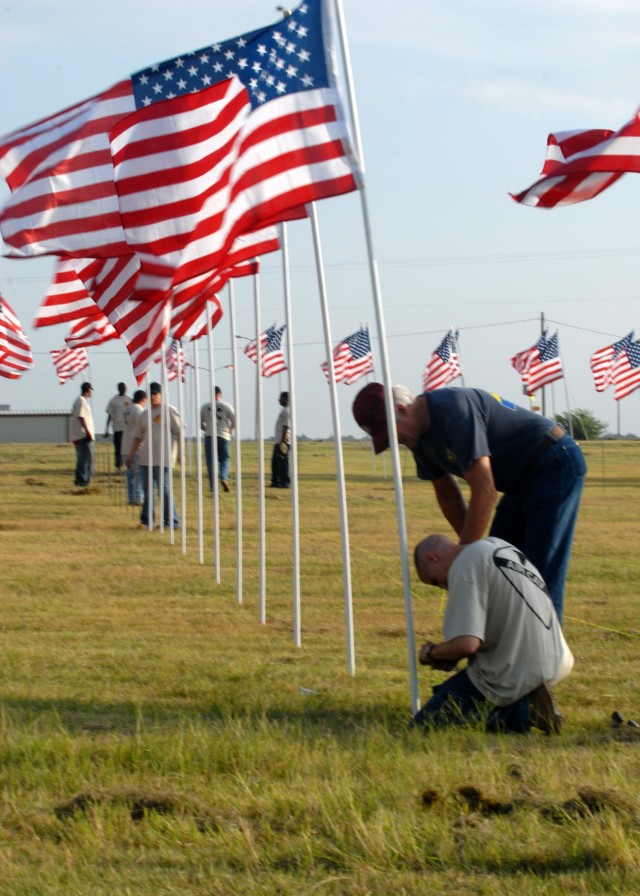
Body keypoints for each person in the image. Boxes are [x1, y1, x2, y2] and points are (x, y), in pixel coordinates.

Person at [352, 383, 586, 623]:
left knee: (538, 571)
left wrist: (464, 558)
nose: (394, 442)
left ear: (403, 409)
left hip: (553, 461)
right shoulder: (418, 439)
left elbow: (484, 489)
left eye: (390, 434)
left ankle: (548, 654)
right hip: (520, 483)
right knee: (501, 569)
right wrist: (472, 552)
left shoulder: (454, 410)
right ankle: (502, 653)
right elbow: (447, 495)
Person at [412, 534, 573, 734]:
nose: (444, 588)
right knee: (453, 691)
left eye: (436, 582)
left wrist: (431, 653)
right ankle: (527, 700)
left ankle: (523, 712)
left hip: (513, 669)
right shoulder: (498, 547)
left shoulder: (463, 567)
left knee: (424, 726)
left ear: (432, 558)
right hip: (556, 658)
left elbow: (467, 644)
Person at [126, 382, 182, 529]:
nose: (153, 396)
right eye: (150, 394)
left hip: (164, 458)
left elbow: (178, 431)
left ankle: (171, 521)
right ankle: (147, 521)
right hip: (146, 459)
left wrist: (180, 454)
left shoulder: (169, 411)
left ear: (161, 395)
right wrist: (130, 455)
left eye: (155, 394)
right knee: (148, 491)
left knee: (164, 489)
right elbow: (138, 436)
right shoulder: (144, 414)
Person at [200, 386, 236, 493]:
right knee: (224, 459)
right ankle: (224, 478)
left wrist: (208, 429)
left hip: (210, 436)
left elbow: (201, 425)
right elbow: (234, 421)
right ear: (220, 394)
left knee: (210, 462)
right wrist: (229, 430)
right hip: (223, 435)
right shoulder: (227, 406)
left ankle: (213, 486)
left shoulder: (204, 407)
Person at [121, 389, 147, 506]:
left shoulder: (127, 410)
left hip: (125, 445)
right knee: (139, 474)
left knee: (130, 474)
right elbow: (142, 429)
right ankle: (138, 497)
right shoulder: (140, 411)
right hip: (136, 447)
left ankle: (131, 497)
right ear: (143, 399)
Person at [69, 381, 95, 487]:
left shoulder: (82, 401)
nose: (92, 392)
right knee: (85, 459)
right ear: (87, 390)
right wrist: (87, 431)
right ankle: (83, 480)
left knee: (83, 458)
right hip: (83, 435)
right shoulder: (81, 401)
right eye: (91, 390)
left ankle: (81, 479)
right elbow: (81, 416)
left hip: (83, 434)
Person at [104, 382, 131, 469]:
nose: (123, 389)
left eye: (125, 388)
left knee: (127, 447)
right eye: (122, 388)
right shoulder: (113, 401)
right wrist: (106, 429)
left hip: (127, 428)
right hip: (117, 428)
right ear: (118, 389)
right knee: (118, 448)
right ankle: (118, 466)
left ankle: (128, 465)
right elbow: (109, 415)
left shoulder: (129, 400)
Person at [271, 391, 291, 488]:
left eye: (281, 398)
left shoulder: (287, 411)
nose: (279, 400)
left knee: (283, 462)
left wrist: (283, 442)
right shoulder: (284, 411)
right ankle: (276, 481)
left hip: (283, 441)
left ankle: (284, 482)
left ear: (286, 399)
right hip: (279, 440)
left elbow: (286, 427)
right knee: (276, 462)